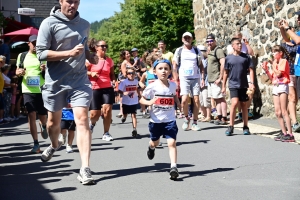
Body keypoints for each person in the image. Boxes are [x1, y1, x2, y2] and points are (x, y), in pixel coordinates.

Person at [36, 1, 95, 185]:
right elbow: (41, 54)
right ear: (61, 1)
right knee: (53, 124)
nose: (73, 4)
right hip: (56, 81)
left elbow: (83, 50)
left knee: (82, 120)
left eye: (76, 1)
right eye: (69, 0)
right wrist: (69, 53)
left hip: (79, 80)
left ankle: (85, 168)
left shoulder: (85, 24)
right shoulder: (48, 23)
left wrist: (91, 56)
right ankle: (55, 144)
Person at [140, 59, 181, 180]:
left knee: (172, 143)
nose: (163, 71)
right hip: (156, 121)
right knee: (155, 142)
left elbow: (174, 96)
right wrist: (149, 102)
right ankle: (151, 147)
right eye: (160, 68)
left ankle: (173, 167)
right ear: (155, 71)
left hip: (170, 119)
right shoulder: (152, 86)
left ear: (169, 71)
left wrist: (178, 105)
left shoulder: (173, 85)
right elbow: (141, 100)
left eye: (166, 68)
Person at [16, 35, 48, 153]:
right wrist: (19, 72)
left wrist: (45, 69)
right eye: (33, 43)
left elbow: (50, 73)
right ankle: (36, 143)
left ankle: (43, 125)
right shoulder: (22, 56)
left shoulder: (43, 56)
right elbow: (17, 71)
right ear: (28, 43)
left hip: (41, 89)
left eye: (37, 43)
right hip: (27, 89)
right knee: (31, 115)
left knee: (43, 116)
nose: (35, 45)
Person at [222, 38, 255, 136]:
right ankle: (231, 126)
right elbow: (225, 72)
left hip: (243, 84)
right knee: (234, 103)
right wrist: (223, 86)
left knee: (244, 104)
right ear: (233, 46)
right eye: (237, 44)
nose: (240, 46)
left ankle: (245, 126)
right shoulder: (228, 58)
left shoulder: (246, 57)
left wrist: (252, 83)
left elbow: (251, 70)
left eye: (240, 44)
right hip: (233, 84)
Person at [173, 32, 205, 131]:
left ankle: (195, 122)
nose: (187, 39)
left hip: (195, 78)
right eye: (185, 38)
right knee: (184, 99)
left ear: (192, 39)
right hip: (184, 78)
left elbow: (201, 65)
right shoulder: (179, 51)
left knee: (196, 99)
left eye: (189, 38)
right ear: (182, 39)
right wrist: (175, 80)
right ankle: (186, 118)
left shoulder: (196, 50)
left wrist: (202, 78)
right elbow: (174, 66)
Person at [261, 45, 293, 142]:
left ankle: (290, 134)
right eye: (273, 52)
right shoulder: (275, 62)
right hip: (276, 86)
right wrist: (266, 70)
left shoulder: (284, 61)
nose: (273, 54)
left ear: (280, 53)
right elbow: (273, 78)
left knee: (284, 111)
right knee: (277, 112)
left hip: (283, 85)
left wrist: (272, 65)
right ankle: (284, 133)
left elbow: (279, 73)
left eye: (275, 52)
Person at [86, 39, 115, 141]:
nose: (104, 48)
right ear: (96, 47)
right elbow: (81, 72)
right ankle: (92, 123)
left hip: (107, 87)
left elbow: (112, 74)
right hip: (94, 87)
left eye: (105, 46)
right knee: (95, 113)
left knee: (107, 109)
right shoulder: (90, 59)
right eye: (102, 46)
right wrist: (90, 73)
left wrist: (114, 81)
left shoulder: (109, 60)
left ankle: (106, 133)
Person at [206, 33, 228, 125]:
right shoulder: (210, 50)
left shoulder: (218, 50)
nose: (209, 43)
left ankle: (224, 117)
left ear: (215, 41)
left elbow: (223, 63)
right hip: (211, 80)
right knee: (216, 99)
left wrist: (220, 78)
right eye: (207, 41)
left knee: (221, 98)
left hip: (216, 79)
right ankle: (219, 117)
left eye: (211, 41)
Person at [118, 67, 139, 137]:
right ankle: (124, 117)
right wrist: (123, 93)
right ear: (126, 74)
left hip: (134, 101)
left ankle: (134, 129)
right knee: (125, 113)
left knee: (133, 115)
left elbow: (138, 89)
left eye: (132, 73)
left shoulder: (136, 81)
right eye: (129, 73)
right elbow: (119, 90)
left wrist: (139, 94)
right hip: (126, 101)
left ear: (135, 74)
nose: (131, 75)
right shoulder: (124, 82)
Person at [197, 45, 211, 122]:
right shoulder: (196, 60)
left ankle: (208, 116)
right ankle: (204, 115)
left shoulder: (207, 61)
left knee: (206, 100)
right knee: (201, 101)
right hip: (198, 83)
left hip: (205, 82)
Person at [0, 56, 5, 125]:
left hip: (0, 92)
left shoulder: (0, 71)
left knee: (1, 106)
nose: (2, 63)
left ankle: (1, 119)